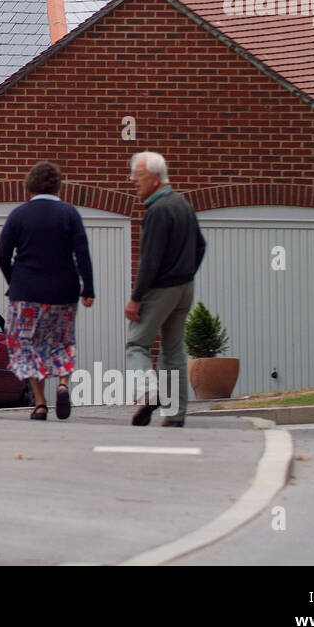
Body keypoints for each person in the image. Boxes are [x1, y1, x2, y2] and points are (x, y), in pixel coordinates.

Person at [0, 161, 95, 421]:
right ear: (57, 185)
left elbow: (1, 254)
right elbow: (82, 253)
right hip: (64, 292)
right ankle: (63, 384)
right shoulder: (69, 214)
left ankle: (40, 404)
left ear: (30, 185)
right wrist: (89, 289)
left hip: (26, 293)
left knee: (29, 345)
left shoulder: (18, 215)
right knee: (62, 341)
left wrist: (14, 281)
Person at [125, 151, 206, 427]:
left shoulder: (158, 211)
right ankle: (174, 415)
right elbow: (201, 246)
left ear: (156, 178)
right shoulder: (183, 204)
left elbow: (150, 261)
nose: (133, 180)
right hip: (185, 288)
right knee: (173, 351)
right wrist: (186, 274)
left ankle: (148, 392)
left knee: (137, 343)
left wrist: (136, 299)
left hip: (161, 289)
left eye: (139, 176)